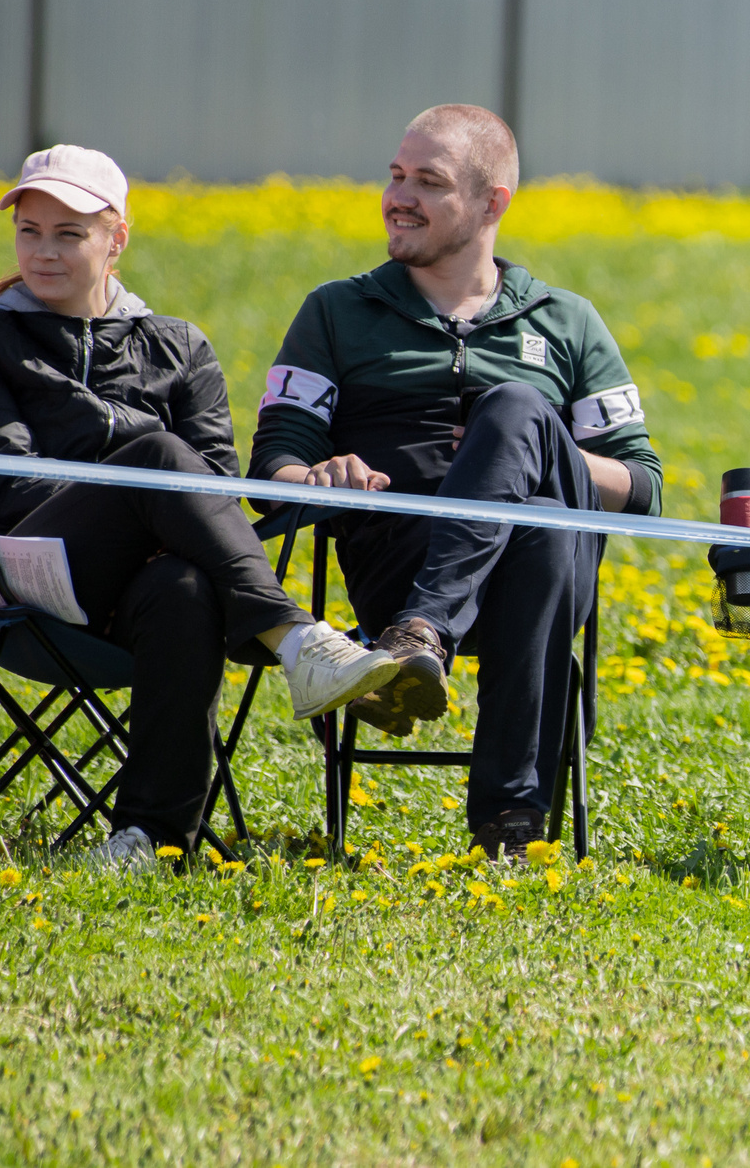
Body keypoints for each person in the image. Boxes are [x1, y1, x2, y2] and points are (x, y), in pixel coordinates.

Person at [0, 146, 413, 868]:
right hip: (22, 567)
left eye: (69, 234)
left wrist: (152, 511)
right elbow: (5, 484)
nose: (44, 252)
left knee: (185, 587)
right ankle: (296, 641)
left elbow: (215, 487)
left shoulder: (179, 347)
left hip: (137, 589)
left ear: (116, 239)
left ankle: (147, 840)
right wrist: (131, 484)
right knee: (156, 455)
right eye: (30, 231)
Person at [247, 105, 662, 857]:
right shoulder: (339, 312)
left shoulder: (566, 322)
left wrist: (532, 441)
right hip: (394, 562)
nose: (398, 196)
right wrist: (318, 473)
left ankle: (422, 639)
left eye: (428, 182)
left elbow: (642, 485)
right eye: (396, 175)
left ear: (492, 201)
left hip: (531, 581)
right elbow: (272, 464)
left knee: (521, 423)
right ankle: (509, 820)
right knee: (534, 511)